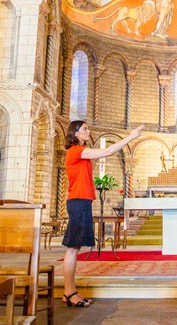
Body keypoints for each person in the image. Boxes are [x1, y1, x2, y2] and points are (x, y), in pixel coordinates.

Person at [61, 121, 144, 307]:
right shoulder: (75, 151)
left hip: (82, 201)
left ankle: (70, 291)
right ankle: (69, 292)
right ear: (75, 133)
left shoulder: (80, 152)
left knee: (74, 247)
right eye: (84, 129)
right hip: (78, 201)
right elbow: (107, 152)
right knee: (73, 248)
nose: (88, 131)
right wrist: (130, 137)